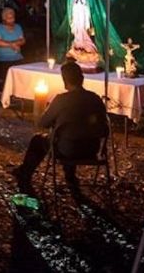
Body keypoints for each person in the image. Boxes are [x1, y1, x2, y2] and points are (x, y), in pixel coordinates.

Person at [10, 61, 108, 194]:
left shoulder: (62, 100)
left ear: (65, 81)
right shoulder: (95, 98)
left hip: (68, 150)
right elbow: (104, 125)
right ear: (82, 79)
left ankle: (25, 173)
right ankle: (70, 177)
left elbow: (43, 123)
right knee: (69, 135)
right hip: (92, 149)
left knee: (39, 140)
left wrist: (45, 112)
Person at [0, 7, 25, 86]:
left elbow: (22, 40)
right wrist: (12, 45)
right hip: (4, 59)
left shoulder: (18, 27)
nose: (12, 20)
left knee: (18, 80)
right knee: (6, 81)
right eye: (9, 18)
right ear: (4, 18)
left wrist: (12, 44)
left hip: (17, 57)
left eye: (13, 17)